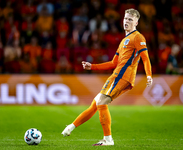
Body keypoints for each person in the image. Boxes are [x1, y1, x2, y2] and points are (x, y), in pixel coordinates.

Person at [61, 8, 153, 146]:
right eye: (125, 18)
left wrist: (149, 75)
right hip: (116, 75)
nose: (126, 21)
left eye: (130, 19)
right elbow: (113, 63)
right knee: (96, 103)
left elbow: (145, 58)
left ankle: (108, 139)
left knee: (102, 102)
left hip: (124, 76)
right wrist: (92, 66)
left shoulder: (138, 37)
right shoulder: (124, 41)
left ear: (136, 22)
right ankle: (71, 127)